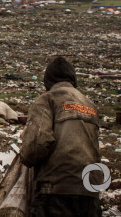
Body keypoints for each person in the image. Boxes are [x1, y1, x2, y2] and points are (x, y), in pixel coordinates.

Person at [20, 57, 103, 217]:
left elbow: (36, 147)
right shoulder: (89, 105)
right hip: (91, 191)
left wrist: (24, 152)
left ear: (47, 81)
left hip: (56, 191)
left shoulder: (47, 99)